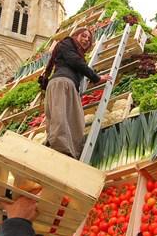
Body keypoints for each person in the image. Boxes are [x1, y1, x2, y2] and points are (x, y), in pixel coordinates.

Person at [42, 27, 111, 159]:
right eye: (83, 35)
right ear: (75, 35)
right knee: (60, 118)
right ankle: (61, 153)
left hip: (67, 85)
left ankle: (67, 151)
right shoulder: (67, 43)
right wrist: (96, 77)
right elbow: (75, 61)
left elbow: (76, 64)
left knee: (75, 121)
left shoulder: (75, 51)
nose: (86, 39)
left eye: (89, 39)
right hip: (62, 83)